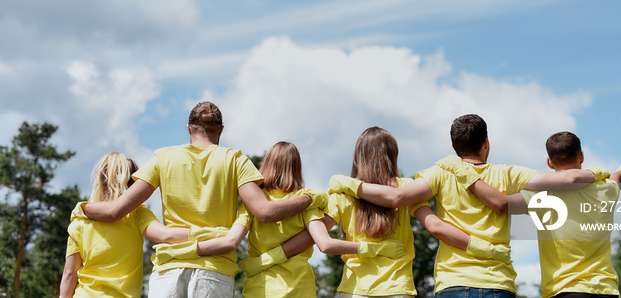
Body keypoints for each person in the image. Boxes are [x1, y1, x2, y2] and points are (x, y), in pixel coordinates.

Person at [330, 115, 605, 297]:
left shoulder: (439, 173)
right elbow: (565, 178)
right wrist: (604, 175)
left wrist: (349, 184)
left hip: (452, 283)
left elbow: (397, 199)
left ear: (454, 146)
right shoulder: (508, 173)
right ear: (486, 143)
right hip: (498, 282)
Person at [81, 102, 319, 297]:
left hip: (168, 272)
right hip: (214, 270)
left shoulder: (163, 158)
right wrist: (306, 199)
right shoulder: (235, 160)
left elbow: (115, 211)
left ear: (188, 129)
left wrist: (82, 208)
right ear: (221, 130)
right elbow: (265, 212)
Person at [311, 127, 512, 297]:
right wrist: (487, 249)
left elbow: (323, 242)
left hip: (353, 289)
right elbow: (434, 225)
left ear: (358, 157)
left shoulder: (342, 195)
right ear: (392, 156)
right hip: (397, 288)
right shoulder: (406, 189)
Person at [227, 141, 403, 297]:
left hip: (261, 287)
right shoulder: (307, 200)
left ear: (267, 164)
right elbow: (325, 243)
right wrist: (375, 249)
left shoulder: (253, 203)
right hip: (299, 287)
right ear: (297, 168)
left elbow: (232, 239)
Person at [509, 132, 621, 298]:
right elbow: (618, 178)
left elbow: (501, 204)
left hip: (565, 291)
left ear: (549, 162)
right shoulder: (606, 189)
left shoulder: (541, 196)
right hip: (606, 290)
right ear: (581, 156)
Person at [59, 152, 196, 297]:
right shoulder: (137, 214)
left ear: (102, 179)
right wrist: (212, 234)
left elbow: (69, 274)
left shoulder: (80, 220)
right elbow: (165, 235)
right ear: (134, 184)